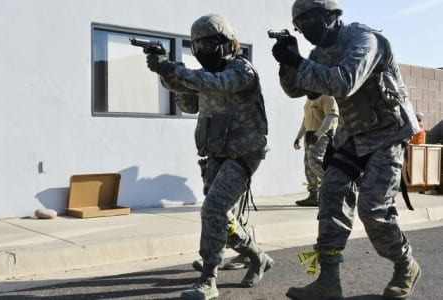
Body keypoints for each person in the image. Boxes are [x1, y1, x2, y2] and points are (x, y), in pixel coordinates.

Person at [271, 0, 422, 299]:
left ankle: (406, 265)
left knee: (373, 209)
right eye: (300, 24)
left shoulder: (364, 40)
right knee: (330, 195)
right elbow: (297, 90)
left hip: (387, 133)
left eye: (310, 18)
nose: (305, 27)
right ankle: (329, 281)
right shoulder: (318, 54)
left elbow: (345, 82)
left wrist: (301, 63)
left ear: (331, 16)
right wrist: (287, 63)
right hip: (354, 134)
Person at [145, 13, 273, 300]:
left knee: (213, 210)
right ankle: (257, 256)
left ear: (227, 43)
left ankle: (208, 279)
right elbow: (190, 103)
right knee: (222, 217)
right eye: (197, 47)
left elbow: (216, 83)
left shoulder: (242, 71)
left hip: (243, 153)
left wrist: (173, 71)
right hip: (215, 152)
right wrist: (166, 74)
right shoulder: (208, 77)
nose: (203, 52)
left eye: (208, 45)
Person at [293, 94, 338, 207]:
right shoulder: (310, 98)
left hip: (321, 135)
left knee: (315, 162)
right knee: (308, 165)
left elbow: (331, 117)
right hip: (309, 134)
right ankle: (314, 196)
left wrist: (318, 134)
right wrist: (299, 136)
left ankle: (335, 187)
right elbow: (306, 118)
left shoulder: (327, 96)